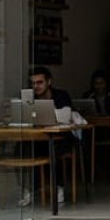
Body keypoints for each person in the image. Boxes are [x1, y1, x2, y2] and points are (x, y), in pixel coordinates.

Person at [25, 66, 74, 207]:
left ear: (49, 82)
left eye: (39, 82)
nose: (36, 86)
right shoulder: (29, 97)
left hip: (61, 137)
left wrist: (40, 116)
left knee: (53, 149)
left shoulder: (61, 95)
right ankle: (30, 189)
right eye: (33, 83)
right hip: (39, 137)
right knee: (22, 148)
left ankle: (58, 187)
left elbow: (65, 117)